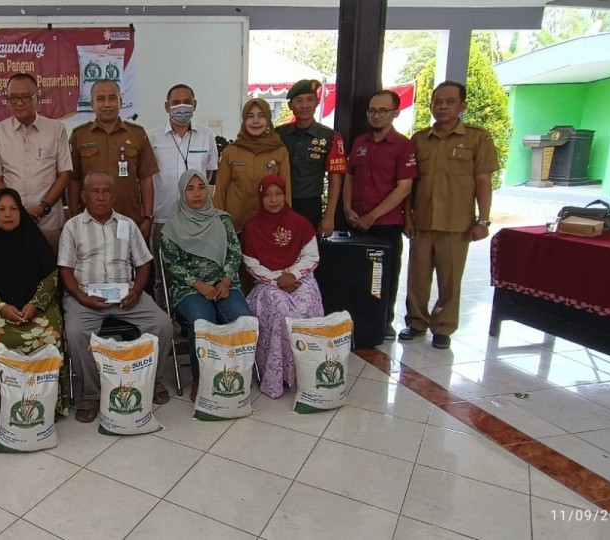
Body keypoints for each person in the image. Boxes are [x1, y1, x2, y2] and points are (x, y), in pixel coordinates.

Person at [59, 172, 175, 423]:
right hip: (86, 297)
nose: (101, 197)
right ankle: (91, 393)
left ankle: (152, 380)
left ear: (114, 195)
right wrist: (81, 297)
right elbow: (65, 270)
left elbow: (144, 264)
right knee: (76, 333)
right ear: (84, 196)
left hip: (126, 295)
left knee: (163, 324)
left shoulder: (127, 225)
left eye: (106, 191)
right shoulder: (72, 226)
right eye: (95, 192)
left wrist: (136, 292)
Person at [401, 81, 498, 350]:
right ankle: (416, 322)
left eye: (449, 101)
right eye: (437, 102)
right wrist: (407, 217)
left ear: (462, 105)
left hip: (457, 223)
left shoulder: (477, 138)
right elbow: (409, 183)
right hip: (422, 220)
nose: (442, 107)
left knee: (450, 278)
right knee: (417, 277)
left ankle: (443, 327)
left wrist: (483, 219)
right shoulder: (419, 139)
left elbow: (483, 181)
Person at [0, 188, 69, 425]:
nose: (7, 214)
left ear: (22, 212)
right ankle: (2, 407)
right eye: (1, 209)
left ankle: (49, 404)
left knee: (51, 336)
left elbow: (51, 277)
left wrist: (35, 304)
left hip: (36, 309)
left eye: (13, 209)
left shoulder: (33, 238)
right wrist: (2, 307)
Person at [160, 169, 250, 401]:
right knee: (202, 322)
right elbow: (172, 265)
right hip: (189, 288)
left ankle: (234, 375)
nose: (197, 194)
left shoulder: (222, 219)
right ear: (182, 193)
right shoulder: (171, 228)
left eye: (201, 187)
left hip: (225, 284)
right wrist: (198, 284)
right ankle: (202, 380)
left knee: (241, 318)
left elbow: (234, 253)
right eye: (190, 189)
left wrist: (227, 280)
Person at [342, 90, 418, 339]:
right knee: (355, 274)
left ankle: (384, 320)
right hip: (356, 220)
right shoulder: (360, 142)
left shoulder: (404, 146)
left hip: (385, 223)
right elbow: (350, 176)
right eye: (372, 110)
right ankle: (356, 319)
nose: (376, 115)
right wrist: (347, 208)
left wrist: (372, 216)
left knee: (384, 276)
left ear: (395, 113)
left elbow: (404, 188)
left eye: (383, 111)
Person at [242, 175, 325, 399]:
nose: (273, 199)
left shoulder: (300, 223)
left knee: (306, 303)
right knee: (281, 309)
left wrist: (294, 275)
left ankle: (305, 373)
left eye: (278, 193)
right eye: (267, 194)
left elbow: (311, 256)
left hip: (299, 276)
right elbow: (251, 263)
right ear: (260, 197)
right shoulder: (252, 227)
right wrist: (277, 280)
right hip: (268, 282)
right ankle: (278, 375)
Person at [0, 72, 74, 252]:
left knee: (51, 276)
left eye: (26, 97)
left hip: (48, 223)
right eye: (13, 97)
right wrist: (17, 210)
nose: (19, 103)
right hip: (12, 224)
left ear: (37, 97)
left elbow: (64, 174)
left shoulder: (56, 130)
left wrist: (43, 207)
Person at [148, 84, 219, 307]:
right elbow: (146, 178)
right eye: (176, 102)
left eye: (186, 101)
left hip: (197, 222)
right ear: (166, 106)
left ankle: (192, 317)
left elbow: (209, 175)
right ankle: (166, 320)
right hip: (163, 216)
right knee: (162, 276)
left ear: (195, 105)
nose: (181, 107)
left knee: (195, 273)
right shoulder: (151, 137)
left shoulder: (207, 136)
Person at [69, 79, 160, 240]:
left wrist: (148, 217)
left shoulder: (137, 134)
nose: (107, 104)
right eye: (100, 99)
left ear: (121, 102)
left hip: (129, 220)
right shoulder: (79, 136)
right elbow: (73, 181)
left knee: (127, 262)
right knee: (93, 263)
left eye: (112, 98)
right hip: (90, 222)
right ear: (92, 104)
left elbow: (146, 178)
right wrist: (72, 217)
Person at [275, 79, 348, 234]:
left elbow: (335, 178)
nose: (305, 105)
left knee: (308, 254)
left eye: (310, 100)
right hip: (278, 203)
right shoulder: (278, 135)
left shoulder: (330, 137)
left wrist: (329, 215)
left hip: (310, 206)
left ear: (316, 103)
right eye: (299, 101)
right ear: (290, 106)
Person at [213, 98, 292, 232]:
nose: (255, 121)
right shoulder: (231, 151)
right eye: (250, 116)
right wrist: (219, 223)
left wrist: (285, 221)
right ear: (244, 120)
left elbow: (286, 191)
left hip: (268, 225)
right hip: (234, 226)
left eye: (261, 116)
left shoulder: (279, 151)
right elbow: (220, 191)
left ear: (268, 119)